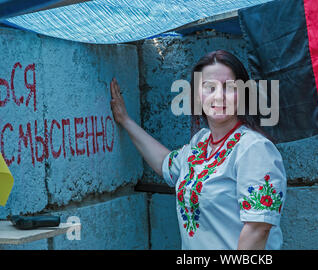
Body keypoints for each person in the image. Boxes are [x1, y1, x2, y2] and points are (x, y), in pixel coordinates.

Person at [110, 49, 286, 250]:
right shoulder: (200, 144)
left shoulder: (254, 149)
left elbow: (257, 230)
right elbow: (165, 163)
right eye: (209, 87)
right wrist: (124, 120)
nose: (219, 96)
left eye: (229, 87)